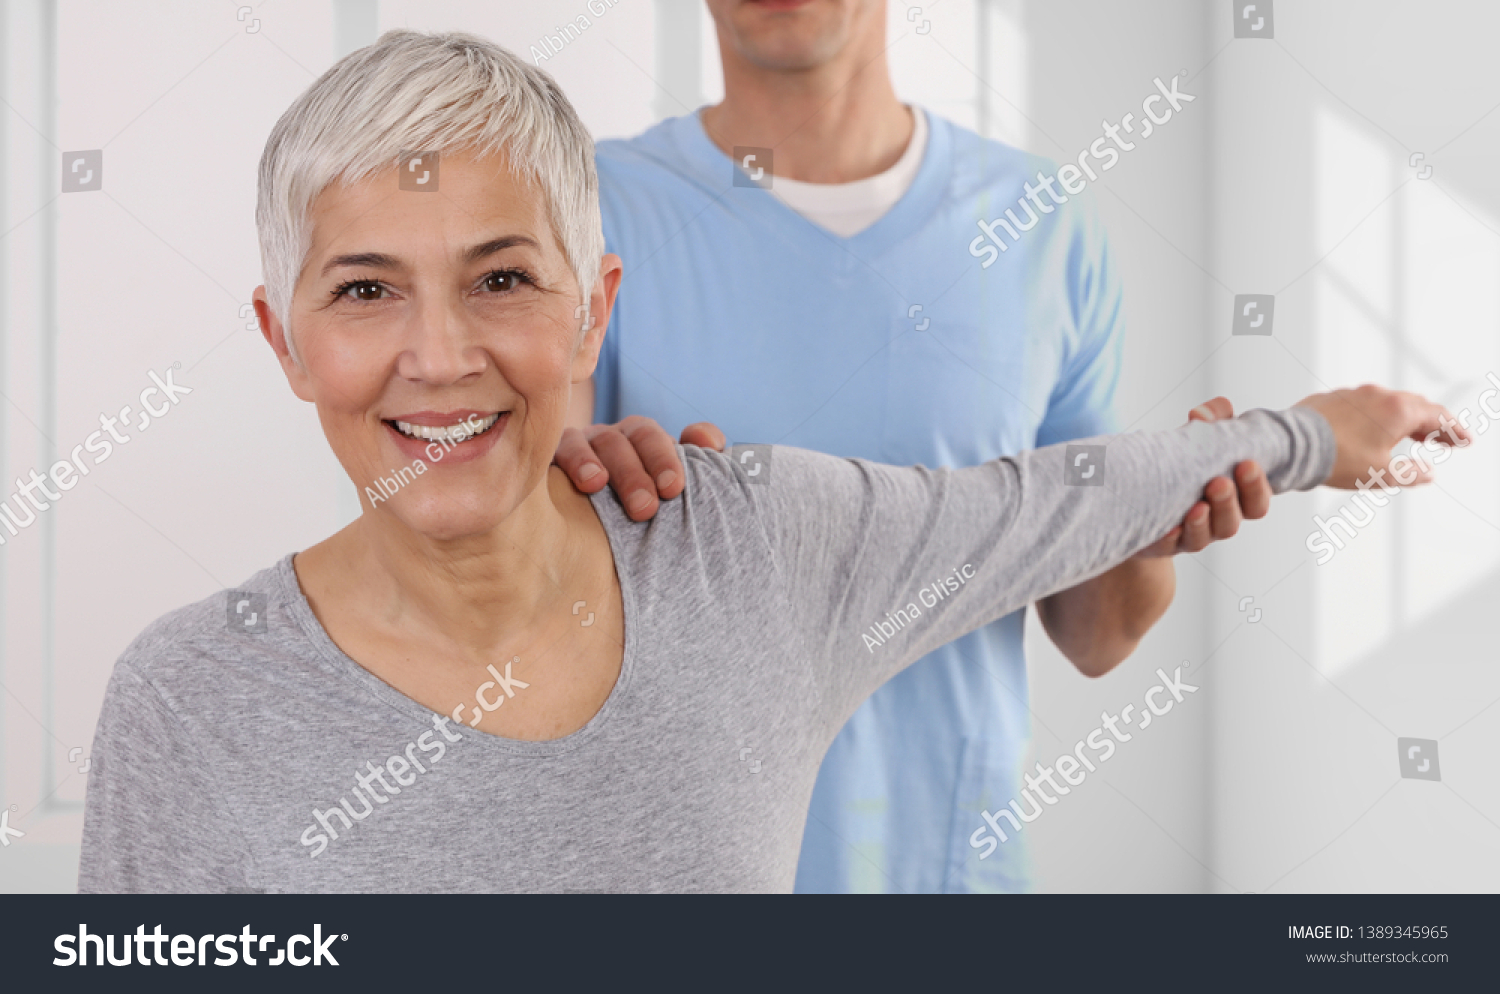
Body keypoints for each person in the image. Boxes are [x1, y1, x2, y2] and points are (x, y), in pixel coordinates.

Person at [78, 29, 1465, 894]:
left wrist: (1297, 440)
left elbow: (1040, 509)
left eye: (502, 279)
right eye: (367, 291)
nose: (441, 352)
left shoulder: (757, 540)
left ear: (590, 304)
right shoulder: (191, 701)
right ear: (283, 332)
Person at [549, 0, 1268, 892]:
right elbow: (535, 598)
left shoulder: (1042, 225)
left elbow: (1097, 633)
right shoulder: (593, 209)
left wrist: (1150, 523)